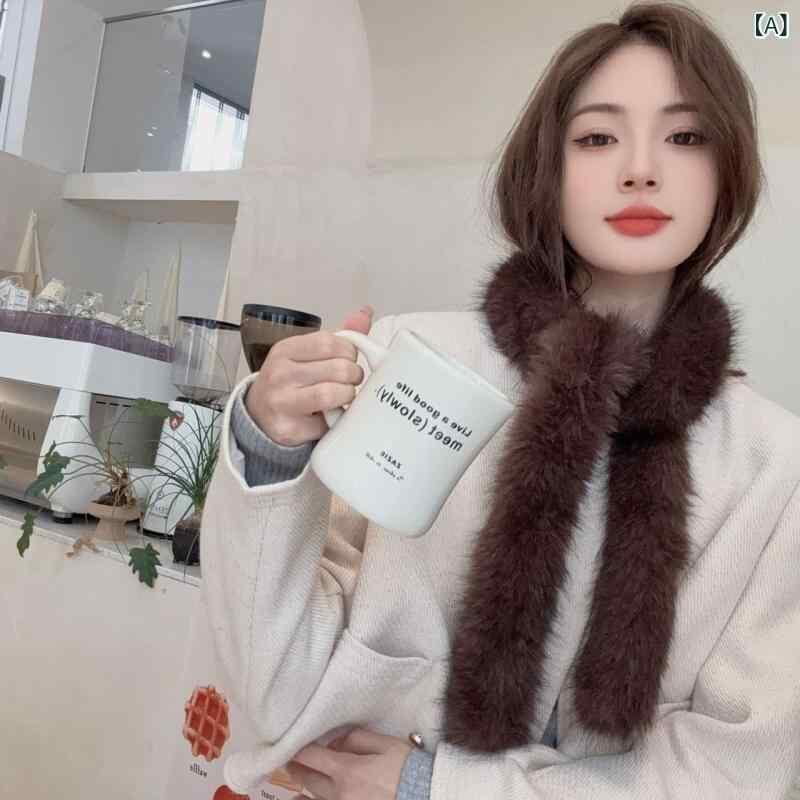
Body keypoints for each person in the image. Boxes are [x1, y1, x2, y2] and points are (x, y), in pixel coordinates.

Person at [200, 2, 800, 798]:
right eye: (597, 137)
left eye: (686, 137)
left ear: (728, 172)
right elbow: (277, 690)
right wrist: (272, 448)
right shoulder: (418, 363)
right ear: (546, 168)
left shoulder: (772, 464)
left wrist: (436, 788)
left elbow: (737, 772)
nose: (640, 169)